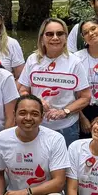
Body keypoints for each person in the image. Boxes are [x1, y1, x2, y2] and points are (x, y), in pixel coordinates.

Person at [18, 17, 91, 146]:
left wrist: (64, 112)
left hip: (67, 127)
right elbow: (23, 90)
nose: (55, 37)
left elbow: (85, 97)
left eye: (60, 33)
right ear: (42, 38)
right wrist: (37, 102)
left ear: (66, 38)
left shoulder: (74, 62)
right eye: (50, 34)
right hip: (37, 126)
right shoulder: (32, 60)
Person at [74, 18, 98, 139]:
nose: (90, 33)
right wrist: (82, 118)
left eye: (93, 29)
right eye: (86, 32)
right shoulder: (76, 59)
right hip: (81, 110)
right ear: (83, 37)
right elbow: (69, 92)